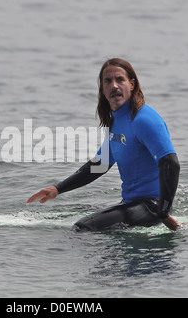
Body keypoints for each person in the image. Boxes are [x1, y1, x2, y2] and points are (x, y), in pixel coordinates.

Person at [27, 58, 180, 231]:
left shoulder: (144, 120)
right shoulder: (116, 122)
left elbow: (170, 162)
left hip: (151, 206)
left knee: (82, 227)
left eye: (120, 79)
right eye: (108, 81)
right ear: (102, 89)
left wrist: (164, 212)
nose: (114, 85)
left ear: (132, 84)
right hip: (132, 204)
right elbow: (100, 165)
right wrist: (57, 189)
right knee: (78, 212)